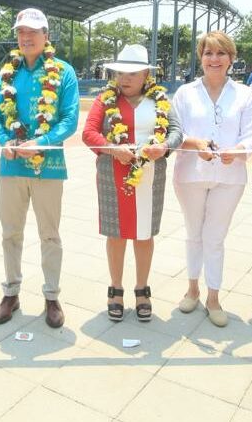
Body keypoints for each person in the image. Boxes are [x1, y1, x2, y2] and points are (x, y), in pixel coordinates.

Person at [0, 8, 80, 328]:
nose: (25, 37)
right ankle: (10, 292)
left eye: (32, 31)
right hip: (11, 165)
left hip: (48, 166)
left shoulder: (63, 72)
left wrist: (43, 142)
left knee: (49, 235)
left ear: (46, 36)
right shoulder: (7, 73)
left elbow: (70, 119)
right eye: (21, 32)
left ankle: (52, 296)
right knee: (10, 233)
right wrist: (4, 141)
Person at [82, 45, 183, 322]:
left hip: (150, 176)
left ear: (146, 75)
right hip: (112, 174)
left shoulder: (160, 99)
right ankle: (115, 290)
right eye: (120, 73)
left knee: (144, 233)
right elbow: (89, 133)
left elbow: (176, 131)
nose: (124, 79)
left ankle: (142, 290)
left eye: (132, 73)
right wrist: (113, 149)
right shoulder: (104, 100)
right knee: (116, 233)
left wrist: (164, 146)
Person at [171, 31, 252, 327]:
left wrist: (238, 150)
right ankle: (192, 289)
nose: (214, 59)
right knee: (193, 234)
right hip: (190, 175)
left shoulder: (245, 94)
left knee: (215, 238)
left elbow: (251, 135)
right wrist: (195, 143)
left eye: (221, 53)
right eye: (208, 53)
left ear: (231, 58)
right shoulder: (185, 93)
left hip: (229, 177)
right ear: (201, 58)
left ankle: (213, 297)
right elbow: (174, 133)